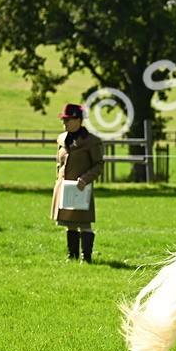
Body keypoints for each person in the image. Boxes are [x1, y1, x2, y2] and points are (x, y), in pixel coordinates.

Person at [50, 103, 104, 262]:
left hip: (81, 188)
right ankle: (71, 256)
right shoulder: (61, 139)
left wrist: (85, 179)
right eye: (63, 119)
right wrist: (58, 181)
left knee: (84, 223)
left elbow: (99, 164)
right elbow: (59, 163)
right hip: (64, 187)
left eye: (67, 119)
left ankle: (86, 258)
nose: (64, 123)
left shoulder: (92, 141)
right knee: (69, 223)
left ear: (78, 120)